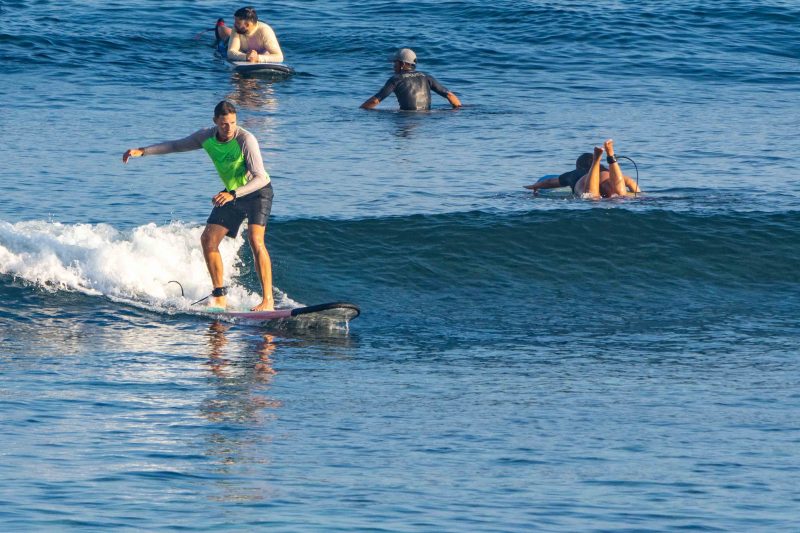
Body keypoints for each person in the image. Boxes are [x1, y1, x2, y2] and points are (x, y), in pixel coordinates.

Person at [122, 100, 276, 311]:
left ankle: (268, 301)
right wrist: (143, 151)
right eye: (224, 124)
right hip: (231, 194)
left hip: (257, 192)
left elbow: (260, 177)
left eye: (233, 122)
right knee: (208, 240)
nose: (229, 128)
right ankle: (219, 296)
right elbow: (176, 145)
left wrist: (232, 194)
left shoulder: (245, 139)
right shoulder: (206, 137)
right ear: (215, 122)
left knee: (255, 239)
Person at [525, 139, 641, 198]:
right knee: (620, 196)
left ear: (579, 166)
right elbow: (630, 181)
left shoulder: (574, 174)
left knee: (591, 197)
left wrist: (535, 186)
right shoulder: (605, 171)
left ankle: (596, 160)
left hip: (585, 180)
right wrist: (638, 194)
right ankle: (611, 157)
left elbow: (550, 182)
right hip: (606, 176)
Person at [360, 48, 462, 111]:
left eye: (395, 62)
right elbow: (450, 95)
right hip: (426, 119)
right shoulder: (426, 76)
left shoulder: (395, 79)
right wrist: (457, 110)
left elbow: (375, 101)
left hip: (406, 118)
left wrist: (360, 110)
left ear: (403, 64)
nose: (393, 65)